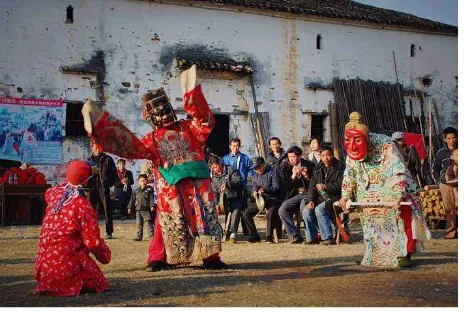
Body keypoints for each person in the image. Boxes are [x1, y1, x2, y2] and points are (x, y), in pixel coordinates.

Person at [82, 65, 226, 271]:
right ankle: (158, 258)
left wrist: (191, 95)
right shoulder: (153, 139)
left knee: (202, 217)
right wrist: (101, 127)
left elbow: (205, 122)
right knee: (166, 220)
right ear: (150, 116)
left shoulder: (187, 128)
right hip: (172, 186)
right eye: (158, 112)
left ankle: (210, 257)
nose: (164, 115)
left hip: (198, 183)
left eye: (165, 109)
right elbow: (130, 147)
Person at [338, 112, 430, 268]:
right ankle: (375, 253)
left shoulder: (385, 144)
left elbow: (397, 170)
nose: (352, 145)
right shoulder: (351, 153)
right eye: (348, 140)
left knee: (402, 219)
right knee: (371, 223)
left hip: (393, 186)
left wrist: (398, 193)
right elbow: (350, 173)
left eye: (358, 140)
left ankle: (404, 254)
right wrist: (345, 196)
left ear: (366, 138)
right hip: (368, 191)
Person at [34, 160, 111, 297]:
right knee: (100, 283)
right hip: (67, 267)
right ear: (86, 182)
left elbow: (56, 188)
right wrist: (105, 256)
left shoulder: (55, 196)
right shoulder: (82, 206)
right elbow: (92, 242)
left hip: (45, 271)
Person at [303, 146, 345, 245]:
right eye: (323, 155)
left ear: (332, 155)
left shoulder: (340, 167)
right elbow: (312, 187)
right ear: (320, 157)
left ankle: (328, 237)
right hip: (320, 198)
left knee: (319, 209)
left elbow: (341, 185)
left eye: (328, 155)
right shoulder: (317, 169)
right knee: (306, 210)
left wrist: (325, 186)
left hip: (335, 198)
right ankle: (312, 238)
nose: (326, 158)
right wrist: (310, 200)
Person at [278, 146, 315, 244]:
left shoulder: (309, 165)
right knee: (282, 210)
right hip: (294, 195)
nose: (291, 159)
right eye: (289, 157)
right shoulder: (285, 167)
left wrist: (306, 176)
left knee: (305, 209)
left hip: (308, 194)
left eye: (293, 156)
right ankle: (295, 235)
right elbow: (285, 187)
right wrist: (293, 176)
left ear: (299, 156)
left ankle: (311, 237)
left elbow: (314, 183)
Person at [221, 138, 253, 235]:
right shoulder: (225, 159)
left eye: (237, 145)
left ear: (240, 146)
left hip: (242, 186)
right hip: (230, 188)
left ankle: (246, 232)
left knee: (244, 209)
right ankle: (228, 231)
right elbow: (221, 172)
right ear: (230, 146)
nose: (235, 148)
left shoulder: (245, 158)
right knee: (230, 209)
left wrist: (249, 178)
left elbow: (251, 170)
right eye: (233, 146)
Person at [209, 156, 243, 244]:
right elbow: (215, 193)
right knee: (212, 212)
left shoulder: (231, 169)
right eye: (212, 168)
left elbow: (239, 181)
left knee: (236, 210)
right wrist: (217, 204)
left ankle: (233, 233)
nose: (214, 169)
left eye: (215, 167)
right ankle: (222, 232)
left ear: (220, 164)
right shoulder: (214, 178)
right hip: (223, 201)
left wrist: (228, 184)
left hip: (235, 197)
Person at [87, 140, 117, 239]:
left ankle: (109, 232)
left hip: (104, 188)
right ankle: (90, 232)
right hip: (92, 188)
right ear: (92, 147)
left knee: (107, 210)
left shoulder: (108, 159)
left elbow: (114, 174)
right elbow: (84, 175)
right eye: (95, 146)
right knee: (90, 210)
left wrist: (108, 184)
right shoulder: (88, 160)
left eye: (99, 146)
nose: (97, 148)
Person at [432, 127, 458, 239]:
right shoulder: (441, 153)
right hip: (445, 184)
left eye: (454, 137)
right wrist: (438, 182)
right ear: (444, 139)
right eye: (449, 138)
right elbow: (435, 169)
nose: (452, 140)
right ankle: (452, 231)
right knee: (449, 208)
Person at [250, 156, 283, 243]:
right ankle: (254, 235)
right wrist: (254, 192)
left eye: (258, 167)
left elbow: (277, 188)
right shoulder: (255, 175)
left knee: (270, 214)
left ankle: (269, 236)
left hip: (274, 199)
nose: (257, 169)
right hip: (261, 200)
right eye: (255, 168)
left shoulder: (273, 173)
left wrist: (265, 189)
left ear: (263, 164)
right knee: (246, 213)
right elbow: (254, 186)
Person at [128, 174, 155, 241]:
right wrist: (129, 207)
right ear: (139, 182)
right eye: (141, 181)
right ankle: (138, 236)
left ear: (147, 181)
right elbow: (132, 200)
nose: (143, 182)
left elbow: (152, 198)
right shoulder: (136, 191)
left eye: (144, 181)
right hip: (138, 210)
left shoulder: (150, 190)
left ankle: (151, 236)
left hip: (146, 210)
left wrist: (152, 205)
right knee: (138, 223)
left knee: (148, 223)